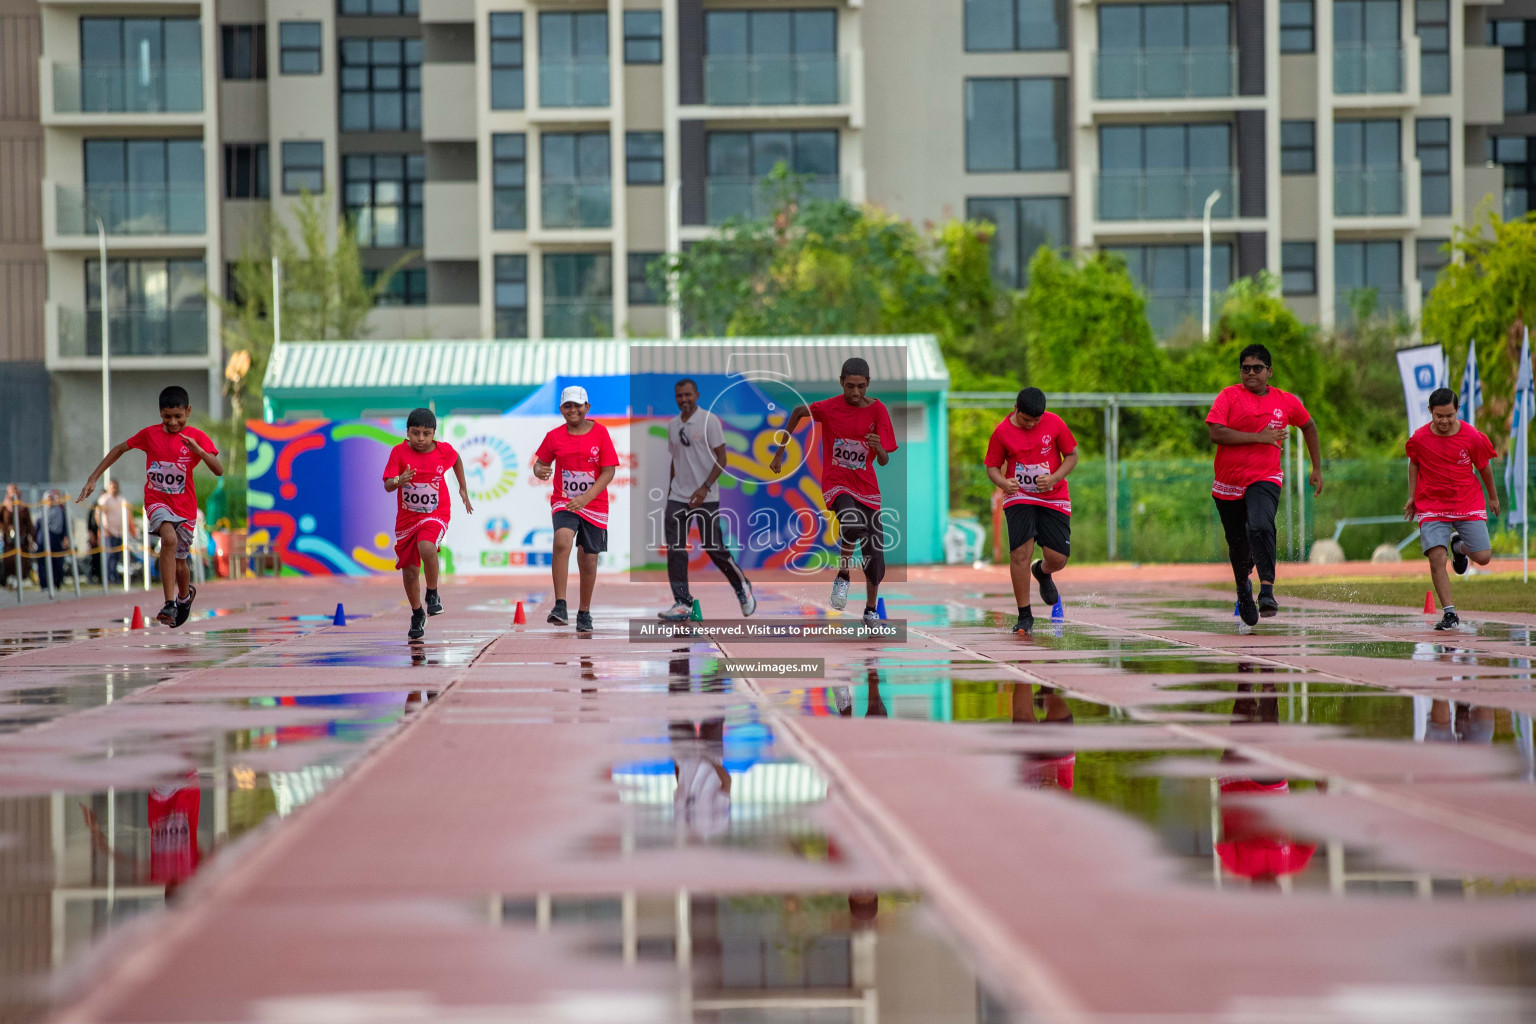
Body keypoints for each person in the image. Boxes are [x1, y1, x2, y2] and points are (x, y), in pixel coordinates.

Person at [76, 386, 223, 627]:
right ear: (160, 413)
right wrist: (93, 478)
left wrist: (199, 451)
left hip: (185, 507)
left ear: (188, 411)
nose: (173, 422)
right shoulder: (150, 434)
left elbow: (218, 469)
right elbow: (120, 449)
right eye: (167, 417)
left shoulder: (197, 437)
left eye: (178, 417)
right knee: (168, 539)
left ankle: (184, 597)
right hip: (157, 501)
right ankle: (168, 603)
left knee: (181, 564)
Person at [769, 357, 898, 626]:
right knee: (851, 522)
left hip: (868, 488)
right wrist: (780, 452)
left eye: (860, 386)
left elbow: (885, 460)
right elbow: (796, 412)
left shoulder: (878, 411)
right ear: (841, 382)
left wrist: (879, 448)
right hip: (836, 481)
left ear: (868, 384)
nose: (854, 392)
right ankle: (843, 575)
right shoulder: (828, 408)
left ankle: (870, 610)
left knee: (875, 556)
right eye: (849, 386)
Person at [1206, 344, 1322, 624]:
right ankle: (1243, 589)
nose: (1251, 373)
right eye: (1245, 368)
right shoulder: (1229, 396)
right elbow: (1215, 432)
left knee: (1260, 524)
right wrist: (1258, 437)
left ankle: (1267, 591)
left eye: (1257, 368)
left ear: (1269, 371)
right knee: (1239, 547)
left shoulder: (1286, 401)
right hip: (1228, 483)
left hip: (1265, 477)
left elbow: (1309, 425)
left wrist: (1316, 466)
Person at [658, 378, 755, 621]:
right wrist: (671, 492)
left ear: (697, 395)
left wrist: (705, 488)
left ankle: (742, 588)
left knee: (714, 549)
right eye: (680, 396)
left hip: (707, 497)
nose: (684, 400)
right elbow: (676, 459)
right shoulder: (672, 425)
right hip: (678, 497)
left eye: (688, 395)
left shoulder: (709, 420)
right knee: (676, 549)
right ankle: (682, 602)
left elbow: (722, 459)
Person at [1404, 387, 1500, 631]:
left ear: (1457, 410)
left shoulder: (1472, 436)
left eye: (1449, 415)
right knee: (1436, 557)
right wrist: (1412, 497)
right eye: (1439, 416)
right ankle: (1449, 613)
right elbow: (1413, 463)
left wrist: (1493, 497)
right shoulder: (1419, 438)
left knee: (1483, 557)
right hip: (1432, 504)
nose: (1444, 421)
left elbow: (1484, 467)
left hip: (1466, 501)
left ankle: (1458, 546)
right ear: (1430, 412)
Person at [984, 387, 1079, 634]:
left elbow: (1072, 455)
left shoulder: (1055, 423)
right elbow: (992, 467)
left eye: (1036, 420)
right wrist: (1004, 483)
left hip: (1053, 496)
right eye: (1027, 419)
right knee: (1019, 553)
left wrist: (1055, 477)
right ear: (1016, 409)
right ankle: (1025, 615)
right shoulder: (1002, 432)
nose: (1031, 424)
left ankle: (1042, 571)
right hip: (1020, 496)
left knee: (1058, 558)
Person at [533, 385, 619, 633]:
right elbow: (540, 465)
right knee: (562, 540)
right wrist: (541, 471)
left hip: (595, 503)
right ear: (561, 410)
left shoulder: (601, 433)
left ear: (587, 408)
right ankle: (560, 605)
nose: (573, 410)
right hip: (565, 500)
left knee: (589, 558)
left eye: (577, 406)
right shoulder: (554, 436)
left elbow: (609, 471)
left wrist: (587, 496)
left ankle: (584, 612)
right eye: (568, 406)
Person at [382, 407, 472, 640]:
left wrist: (462, 487)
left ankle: (432, 593)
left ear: (434, 433)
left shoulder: (443, 451)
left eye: (426, 433)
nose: (421, 439)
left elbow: (457, 460)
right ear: (407, 432)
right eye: (415, 433)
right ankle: (417, 613)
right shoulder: (398, 452)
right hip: (407, 519)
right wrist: (398, 480)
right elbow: (388, 485)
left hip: (436, 512)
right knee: (410, 570)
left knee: (427, 546)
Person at [33, 490, 70, 590]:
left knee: (57, 563)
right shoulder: (41, 512)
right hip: (42, 541)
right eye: (47, 499)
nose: (49, 501)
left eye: (51, 499)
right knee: (42, 563)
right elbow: (36, 528)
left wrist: (65, 538)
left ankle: (57, 582)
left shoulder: (60, 511)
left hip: (56, 540)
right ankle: (44, 584)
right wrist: (32, 540)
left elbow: (65, 526)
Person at [97, 479, 130, 582]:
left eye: (116, 487)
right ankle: (108, 577)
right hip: (109, 532)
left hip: (120, 532)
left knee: (117, 556)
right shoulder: (104, 499)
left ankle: (114, 576)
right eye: (112, 487)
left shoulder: (122, 499)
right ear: (108, 488)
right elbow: (98, 515)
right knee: (109, 555)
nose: (114, 489)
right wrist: (104, 528)